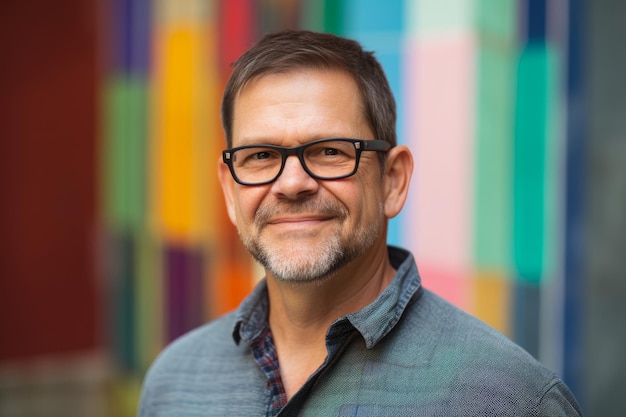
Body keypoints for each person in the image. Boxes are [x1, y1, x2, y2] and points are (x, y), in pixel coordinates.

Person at [138, 30, 582, 416]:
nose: (292, 184)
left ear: (392, 180)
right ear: (230, 192)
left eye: (330, 151)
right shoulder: (174, 383)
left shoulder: (508, 400)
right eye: (261, 156)